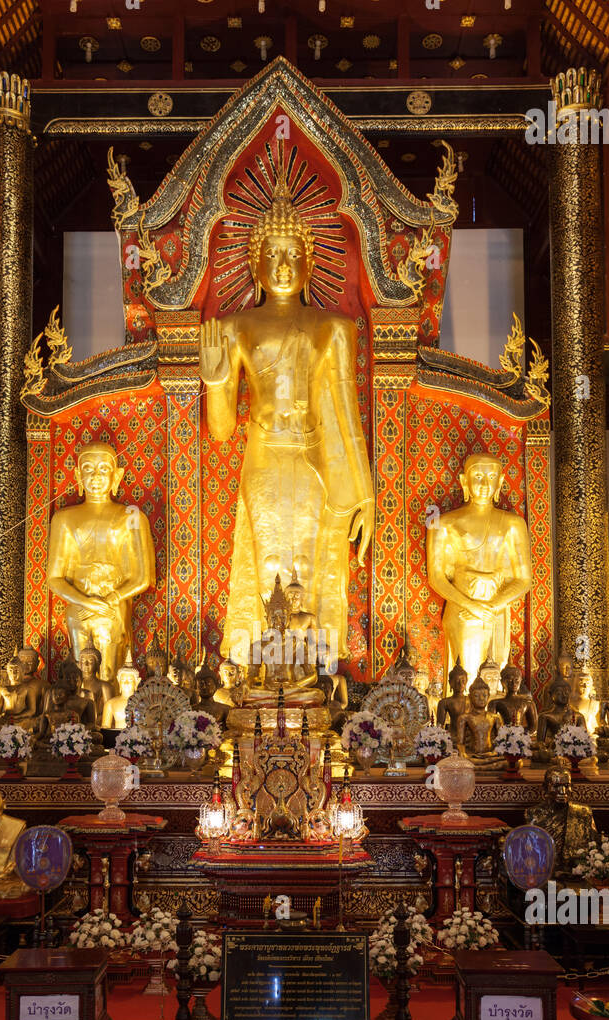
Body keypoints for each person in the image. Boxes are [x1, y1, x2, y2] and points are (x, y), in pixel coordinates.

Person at [199, 143, 374, 662]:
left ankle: (313, 672)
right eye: (270, 253)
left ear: (309, 260)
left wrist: (362, 490)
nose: (281, 264)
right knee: (267, 556)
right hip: (263, 456)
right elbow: (224, 431)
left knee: (314, 563)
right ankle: (258, 670)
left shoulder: (333, 327)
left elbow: (346, 413)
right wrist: (214, 383)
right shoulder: (233, 328)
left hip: (315, 460)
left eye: (292, 253)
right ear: (253, 263)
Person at [46, 442, 155, 681]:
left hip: (112, 607)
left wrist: (110, 599)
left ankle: (108, 717)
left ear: (116, 476)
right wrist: (86, 601)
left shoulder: (132, 517)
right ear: (77, 475)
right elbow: (54, 578)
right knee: (81, 676)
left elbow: (143, 577)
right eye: (88, 468)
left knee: (109, 675)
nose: (95, 476)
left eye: (103, 469)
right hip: (79, 608)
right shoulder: (63, 519)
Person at [427, 453, 533, 681]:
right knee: (464, 679)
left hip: (497, 609)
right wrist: (471, 605)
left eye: (491, 476)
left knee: (495, 681)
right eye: (477, 476)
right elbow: (435, 577)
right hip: (463, 609)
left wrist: (493, 605)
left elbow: (524, 580)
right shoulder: (442, 523)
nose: (485, 484)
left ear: (501, 482)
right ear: (464, 481)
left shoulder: (514, 524)